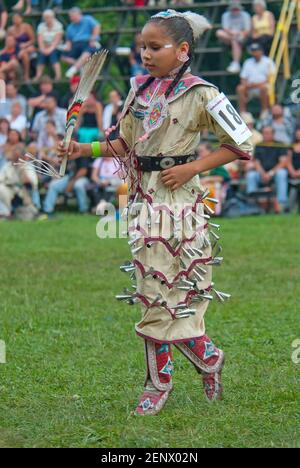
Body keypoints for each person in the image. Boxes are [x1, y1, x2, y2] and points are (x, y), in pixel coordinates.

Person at [57, 8, 253, 415]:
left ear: (182, 50)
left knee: (184, 289)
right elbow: (125, 143)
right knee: (152, 289)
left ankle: (196, 363)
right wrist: (81, 150)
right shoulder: (139, 90)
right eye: (142, 46)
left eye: (155, 47)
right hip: (145, 198)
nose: (145, 54)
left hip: (182, 202)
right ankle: (169, 377)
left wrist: (192, 167)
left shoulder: (203, 93)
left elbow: (241, 144)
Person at [246, 126, 289, 212]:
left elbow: (283, 162)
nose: (266, 135)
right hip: (261, 173)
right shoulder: (259, 145)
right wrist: (263, 174)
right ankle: (251, 203)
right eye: (264, 133)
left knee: (282, 173)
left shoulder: (280, 145)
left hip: (275, 173)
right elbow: (256, 162)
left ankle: (281, 203)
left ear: (273, 134)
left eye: (268, 133)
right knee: (251, 175)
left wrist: (270, 173)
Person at [237, 42, 275, 117]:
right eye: (253, 51)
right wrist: (246, 85)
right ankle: (243, 112)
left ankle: (264, 111)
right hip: (250, 88)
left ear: (261, 51)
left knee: (264, 87)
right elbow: (243, 78)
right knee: (240, 88)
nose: (255, 53)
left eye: (256, 50)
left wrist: (256, 85)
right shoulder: (248, 62)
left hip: (263, 86)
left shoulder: (268, 61)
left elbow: (270, 79)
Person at [61, 7, 101, 79]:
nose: (72, 18)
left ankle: (74, 69)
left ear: (79, 14)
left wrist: (93, 38)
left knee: (87, 51)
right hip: (75, 45)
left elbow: (97, 26)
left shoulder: (88, 19)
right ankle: (80, 65)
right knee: (63, 56)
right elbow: (68, 40)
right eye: (71, 17)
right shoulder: (70, 27)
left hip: (88, 42)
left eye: (73, 16)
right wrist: (67, 46)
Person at [216, 0, 251, 74]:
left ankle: (236, 63)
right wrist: (233, 34)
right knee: (219, 33)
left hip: (242, 36)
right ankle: (236, 63)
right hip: (230, 36)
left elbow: (247, 30)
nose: (235, 11)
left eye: (236, 9)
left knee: (236, 40)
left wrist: (238, 34)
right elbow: (225, 29)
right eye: (233, 9)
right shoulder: (225, 15)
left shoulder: (245, 15)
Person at [35, 9, 64, 81]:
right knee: (41, 55)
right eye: (45, 17)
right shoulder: (41, 26)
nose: (47, 19)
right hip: (44, 47)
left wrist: (49, 49)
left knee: (52, 54)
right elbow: (40, 39)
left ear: (52, 17)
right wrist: (42, 49)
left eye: (48, 17)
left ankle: (58, 76)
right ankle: (38, 75)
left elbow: (57, 40)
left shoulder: (58, 25)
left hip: (56, 47)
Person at [8, 13, 36, 81]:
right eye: (14, 19)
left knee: (25, 53)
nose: (16, 20)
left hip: (27, 47)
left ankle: (26, 75)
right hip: (16, 49)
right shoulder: (10, 30)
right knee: (22, 54)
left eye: (17, 18)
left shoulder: (27, 27)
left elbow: (33, 40)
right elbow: (8, 42)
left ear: (21, 19)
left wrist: (26, 44)